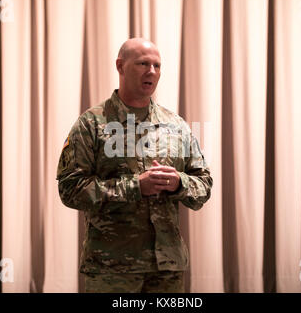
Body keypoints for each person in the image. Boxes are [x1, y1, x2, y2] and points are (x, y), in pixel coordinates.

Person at [56, 38, 213, 293]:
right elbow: (70, 190)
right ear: (120, 66)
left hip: (167, 269)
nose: (151, 71)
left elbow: (204, 186)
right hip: (111, 269)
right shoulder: (92, 124)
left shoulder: (177, 126)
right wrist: (134, 186)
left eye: (157, 66)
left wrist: (179, 183)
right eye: (143, 63)